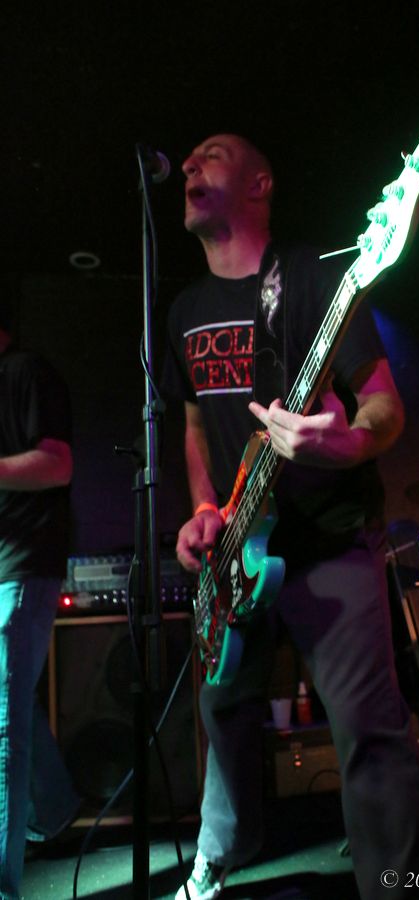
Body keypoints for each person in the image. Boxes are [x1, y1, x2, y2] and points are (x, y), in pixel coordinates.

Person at [162, 133, 419, 900]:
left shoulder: (320, 275)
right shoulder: (184, 309)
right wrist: (204, 509)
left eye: (212, 153)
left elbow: (383, 405)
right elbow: (194, 426)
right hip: (236, 548)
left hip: (327, 537)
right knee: (222, 715)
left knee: (369, 730)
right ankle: (217, 855)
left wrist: (345, 441)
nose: (188, 164)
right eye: (188, 157)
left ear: (260, 183)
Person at [0, 302, 80, 899]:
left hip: (24, 565)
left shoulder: (25, 371)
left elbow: (58, 464)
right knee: (11, 709)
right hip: (7, 563)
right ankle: (52, 809)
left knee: (4, 726)